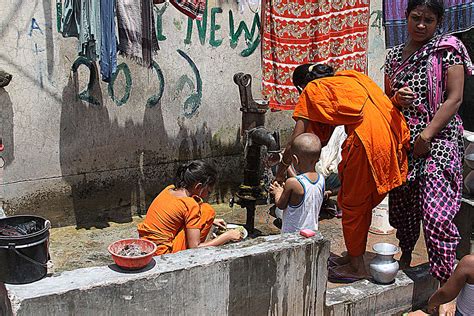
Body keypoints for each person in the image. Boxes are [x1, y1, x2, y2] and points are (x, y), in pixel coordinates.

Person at [276, 63, 410, 282]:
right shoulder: (354, 77)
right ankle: (353, 255)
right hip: (390, 138)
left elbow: (295, 141)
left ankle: (357, 268)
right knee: (362, 204)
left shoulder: (313, 89)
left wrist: (281, 169)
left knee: (353, 206)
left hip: (367, 145)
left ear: (302, 87)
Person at [384, 0, 473, 288]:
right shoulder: (395, 55)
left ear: (439, 22)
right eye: (416, 18)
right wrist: (397, 100)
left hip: (440, 140)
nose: (421, 25)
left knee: (437, 215)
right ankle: (406, 257)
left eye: (429, 20)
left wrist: (427, 136)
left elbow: (454, 98)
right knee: (403, 210)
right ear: (406, 17)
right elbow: (388, 100)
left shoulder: (448, 49)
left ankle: (445, 284)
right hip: (405, 143)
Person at [137, 160, 242, 255]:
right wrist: (227, 236)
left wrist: (213, 220)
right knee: (208, 211)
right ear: (198, 187)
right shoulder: (190, 205)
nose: (207, 196)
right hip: (162, 253)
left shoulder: (170, 189)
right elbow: (195, 248)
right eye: (208, 192)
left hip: (147, 245)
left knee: (204, 210)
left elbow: (177, 213)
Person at [270, 133, 325, 233]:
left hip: (292, 236)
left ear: (295, 159)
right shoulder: (321, 179)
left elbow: (281, 205)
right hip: (311, 233)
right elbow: (304, 186)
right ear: (318, 158)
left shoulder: (292, 183)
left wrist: (277, 191)